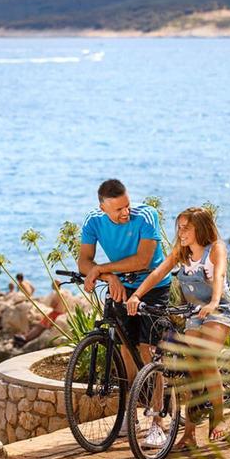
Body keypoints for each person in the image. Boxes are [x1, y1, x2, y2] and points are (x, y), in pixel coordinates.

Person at [127, 206, 230, 450]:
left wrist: (214, 301)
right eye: (179, 227)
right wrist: (136, 295)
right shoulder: (182, 252)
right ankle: (189, 435)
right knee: (191, 372)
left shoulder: (215, 249)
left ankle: (219, 418)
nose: (181, 232)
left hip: (218, 311)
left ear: (201, 228)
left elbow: (218, 276)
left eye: (186, 227)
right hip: (194, 314)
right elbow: (158, 272)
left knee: (205, 359)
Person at [78, 179, 170, 439]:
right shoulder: (93, 221)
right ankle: (131, 418)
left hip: (153, 285)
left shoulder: (146, 216)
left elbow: (143, 261)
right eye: (117, 209)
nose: (125, 212)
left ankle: (157, 421)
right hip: (122, 287)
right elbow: (84, 261)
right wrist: (109, 277)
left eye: (126, 205)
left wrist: (102, 268)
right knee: (125, 351)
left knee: (150, 351)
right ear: (103, 207)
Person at [13, 281, 76, 347]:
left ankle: (26, 338)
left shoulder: (58, 293)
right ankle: (26, 336)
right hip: (62, 313)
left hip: (55, 314)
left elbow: (53, 305)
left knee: (40, 326)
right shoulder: (66, 293)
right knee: (39, 324)